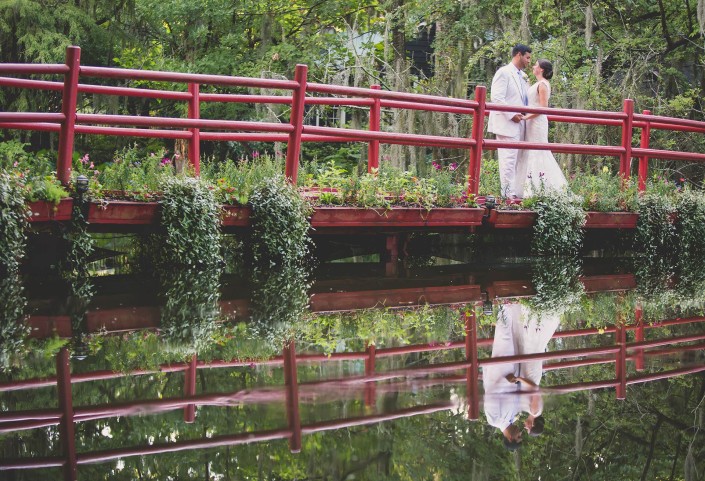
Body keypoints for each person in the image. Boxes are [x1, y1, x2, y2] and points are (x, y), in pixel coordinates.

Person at [482, 302, 561, 447]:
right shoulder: (513, 417)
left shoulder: (494, 420)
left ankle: (502, 302)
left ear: (511, 438)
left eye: (518, 436)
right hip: (515, 372)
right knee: (513, 334)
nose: (520, 432)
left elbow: (490, 395)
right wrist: (517, 379)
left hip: (500, 374)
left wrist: (508, 381)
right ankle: (512, 303)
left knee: (503, 336)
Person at [516, 59, 568, 197]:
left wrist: (527, 117)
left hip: (537, 122)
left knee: (538, 152)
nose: (533, 66)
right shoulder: (536, 84)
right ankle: (527, 187)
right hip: (531, 121)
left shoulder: (543, 85)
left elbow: (543, 107)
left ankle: (541, 189)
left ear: (542, 69)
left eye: (536, 65)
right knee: (529, 151)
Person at [487, 44, 532, 199]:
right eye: (527, 57)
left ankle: (515, 191)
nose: (529, 61)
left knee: (517, 159)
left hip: (521, 122)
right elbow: (497, 98)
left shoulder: (523, 76)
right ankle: (508, 195)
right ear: (518, 55)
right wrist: (512, 114)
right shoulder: (504, 72)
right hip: (507, 123)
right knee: (508, 159)